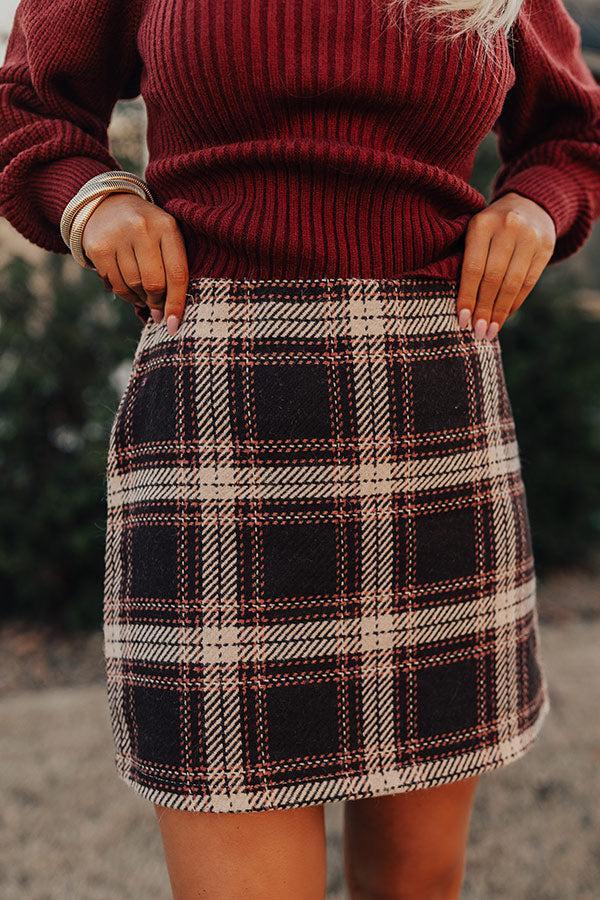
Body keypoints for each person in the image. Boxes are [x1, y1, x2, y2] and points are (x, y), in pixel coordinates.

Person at [1, 1, 599, 897]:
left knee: (416, 890)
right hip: (215, 432)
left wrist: (537, 206)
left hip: (431, 427)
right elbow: (27, 109)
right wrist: (93, 200)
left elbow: (576, 134)